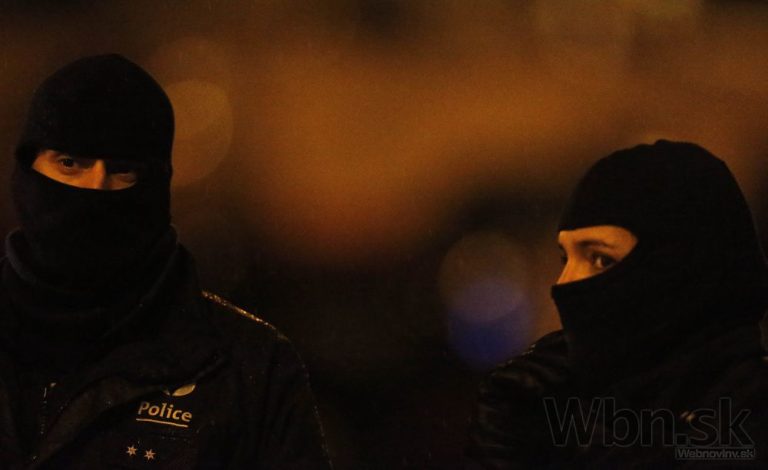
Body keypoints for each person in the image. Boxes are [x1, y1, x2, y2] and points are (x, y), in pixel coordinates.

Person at [0, 54, 331, 468]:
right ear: (27, 170)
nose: (95, 188)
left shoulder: (247, 367)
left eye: (122, 170)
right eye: (70, 164)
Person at [466, 140, 768, 468]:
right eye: (566, 258)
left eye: (600, 259)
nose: (564, 284)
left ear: (682, 271)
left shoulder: (748, 420)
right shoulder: (582, 412)